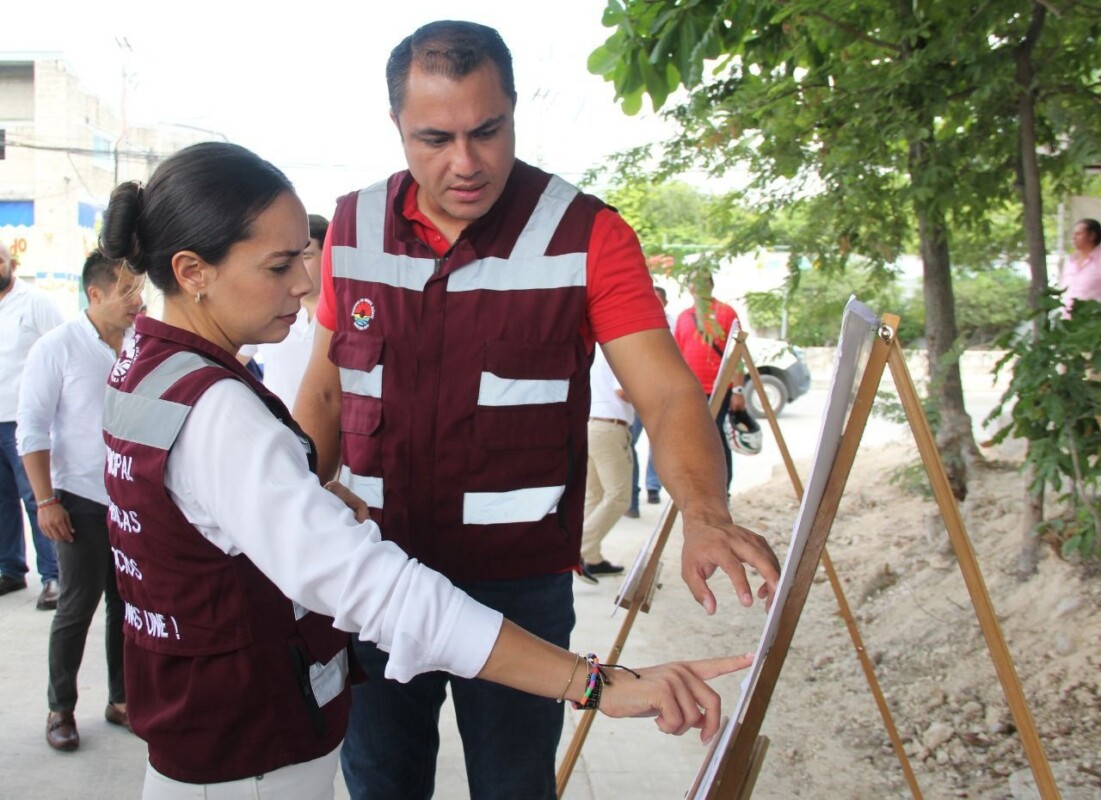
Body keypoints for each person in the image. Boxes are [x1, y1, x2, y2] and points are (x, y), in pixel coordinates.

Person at [96, 141, 756, 800]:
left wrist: (305, 498)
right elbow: (381, 593)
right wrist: (593, 683)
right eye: (278, 266)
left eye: (303, 256)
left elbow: (203, 508)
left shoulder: (149, 370)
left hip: (209, 725)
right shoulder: (221, 411)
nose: (303, 283)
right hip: (252, 748)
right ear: (192, 271)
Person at [294, 21, 780, 800]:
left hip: (515, 587)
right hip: (373, 575)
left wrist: (703, 509)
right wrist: (288, 525)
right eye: (434, 137)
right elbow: (322, 394)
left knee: (515, 787)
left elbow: (662, 390)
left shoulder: (587, 234)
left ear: (514, 109)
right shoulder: (349, 227)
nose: (465, 162)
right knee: (380, 783)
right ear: (396, 127)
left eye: (487, 131)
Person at [16, 250, 143, 751]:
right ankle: (60, 708)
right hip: (80, 500)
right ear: (96, 293)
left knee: (128, 607)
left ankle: (122, 700)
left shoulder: (141, 344)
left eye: (140, 290)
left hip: (132, 500)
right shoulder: (58, 347)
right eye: (127, 291)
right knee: (76, 606)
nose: (138, 300)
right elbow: (31, 428)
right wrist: (46, 502)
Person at [0, 241, 64, 608]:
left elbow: (63, 346)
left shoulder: (34, 303)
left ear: (12, 262)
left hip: (22, 422)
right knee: (1, 499)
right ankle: (10, 568)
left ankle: (53, 576)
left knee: (36, 497)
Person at [673, 274, 747, 494]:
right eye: (694, 282)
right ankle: (698, 490)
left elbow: (738, 353)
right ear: (689, 288)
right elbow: (677, 354)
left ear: (711, 285)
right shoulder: (684, 316)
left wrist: (738, 390)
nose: (698, 287)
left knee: (715, 437)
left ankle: (723, 490)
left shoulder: (726, 313)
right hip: (690, 392)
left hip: (719, 389)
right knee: (692, 440)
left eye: (704, 282)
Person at [252, 214, 329, 408]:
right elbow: (230, 360)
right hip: (279, 428)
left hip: (336, 432)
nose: (297, 268)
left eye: (306, 256)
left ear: (329, 254)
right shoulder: (267, 311)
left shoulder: (356, 315)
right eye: (285, 260)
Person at [579, 346, 633, 583]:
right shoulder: (620, 349)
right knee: (619, 497)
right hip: (608, 428)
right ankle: (580, 549)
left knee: (595, 495)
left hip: (593, 424)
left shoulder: (599, 348)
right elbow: (622, 391)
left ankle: (592, 557)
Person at [628, 285, 674, 515]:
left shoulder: (672, 324)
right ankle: (632, 497)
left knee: (659, 443)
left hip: (661, 396)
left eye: (658, 300)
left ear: (665, 302)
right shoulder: (633, 322)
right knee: (629, 444)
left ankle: (653, 486)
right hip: (634, 396)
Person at [1060, 217, 1101, 315]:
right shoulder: (1070, 261)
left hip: (1093, 322)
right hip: (1067, 320)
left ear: (1092, 236)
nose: (1073, 237)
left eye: (1078, 234)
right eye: (1073, 234)